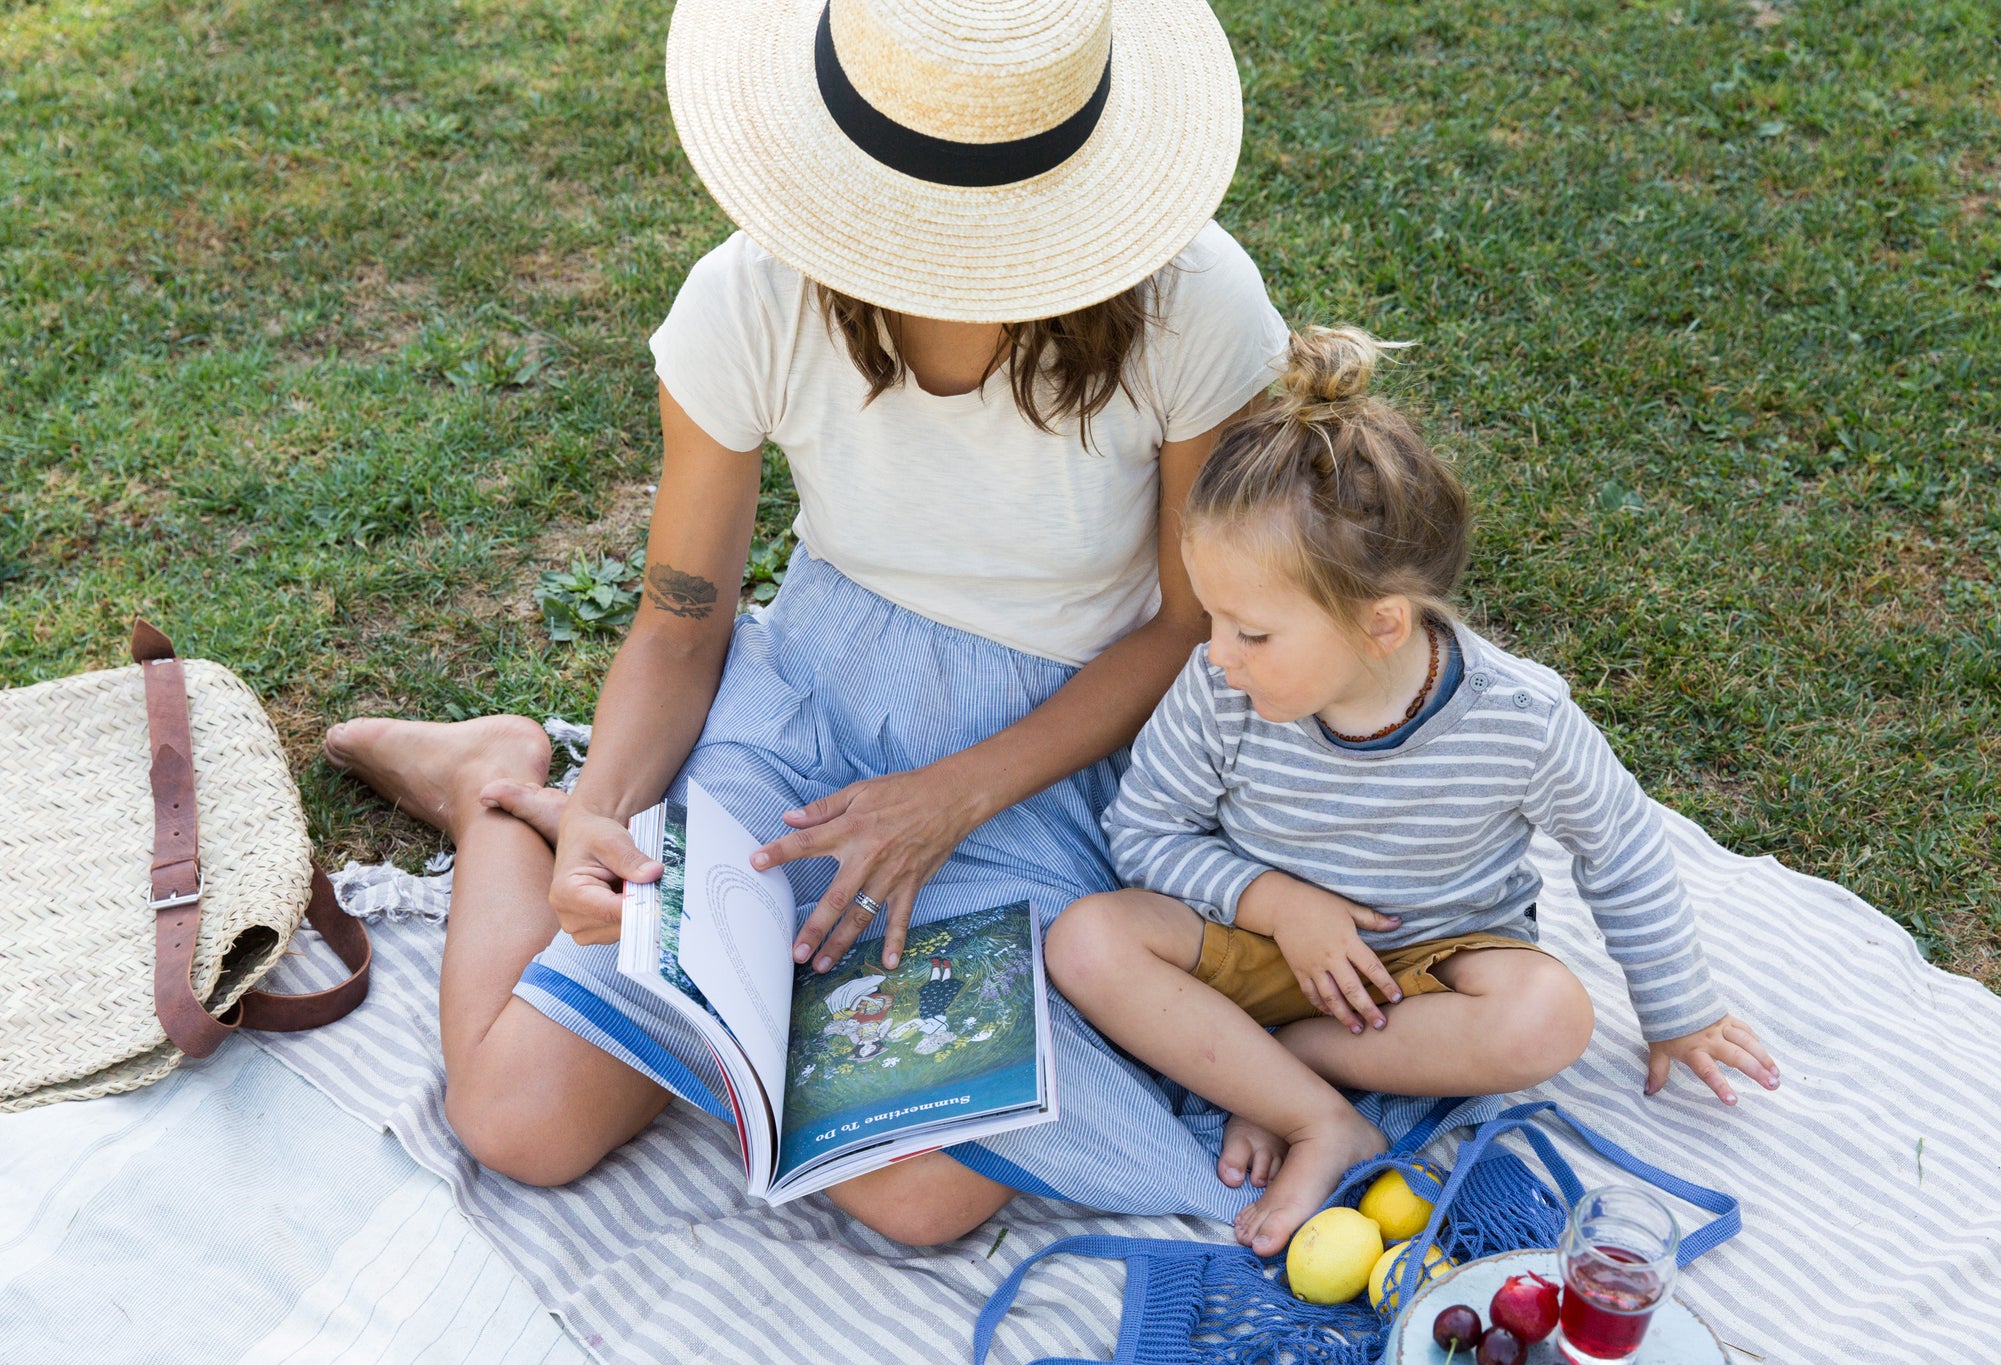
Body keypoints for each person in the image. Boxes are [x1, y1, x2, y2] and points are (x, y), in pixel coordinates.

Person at [322, 0, 1305, 1242]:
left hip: (1043, 751)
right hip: (812, 700)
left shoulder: (1193, 305)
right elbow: (684, 621)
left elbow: (1184, 627)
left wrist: (948, 797)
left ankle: (706, 989)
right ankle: (500, 793)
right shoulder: (747, 300)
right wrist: (609, 817)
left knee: (923, 1197)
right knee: (521, 1122)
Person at [1045, 326, 1782, 1257]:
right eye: (1213, 617)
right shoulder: (1217, 687)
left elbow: (1621, 844)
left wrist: (1681, 1009)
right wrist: (1282, 906)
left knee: (1550, 1014)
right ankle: (1324, 1118)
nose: (1217, 652)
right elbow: (1145, 829)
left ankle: (1277, 1075)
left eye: (1252, 632)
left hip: (1423, 970)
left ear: (1382, 625)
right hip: (1256, 948)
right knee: (1088, 939)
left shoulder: (1519, 719)